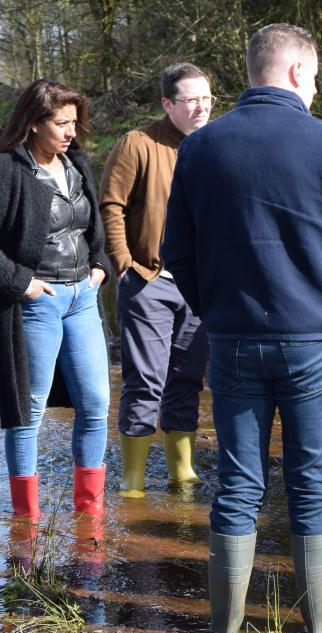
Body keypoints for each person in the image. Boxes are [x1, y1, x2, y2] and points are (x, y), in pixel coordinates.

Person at [161, 23, 322, 633]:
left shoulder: (201, 147)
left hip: (232, 337)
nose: (313, 88)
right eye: (311, 78)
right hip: (315, 337)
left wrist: (215, 309)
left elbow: (177, 251)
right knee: (310, 486)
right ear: (295, 74)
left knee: (237, 486)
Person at [0, 80, 111, 522]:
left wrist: (100, 264)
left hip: (82, 297)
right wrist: (19, 283)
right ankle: (27, 521)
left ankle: (89, 515)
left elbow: (89, 229)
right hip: (36, 301)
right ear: (32, 123)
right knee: (30, 407)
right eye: (61, 123)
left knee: (96, 403)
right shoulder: (3, 170)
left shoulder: (76, 163)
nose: (70, 133)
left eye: (74, 123)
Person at [100, 63, 214, 497]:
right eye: (190, 99)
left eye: (206, 98)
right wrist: (124, 263)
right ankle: (132, 478)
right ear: (168, 104)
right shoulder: (138, 143)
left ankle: (181, 469)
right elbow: (111, 205)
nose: (201, 106)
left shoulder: (216, 144)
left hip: (200, 284)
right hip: (149, 279)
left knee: (187, 377)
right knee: (146, 379)